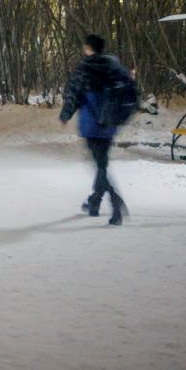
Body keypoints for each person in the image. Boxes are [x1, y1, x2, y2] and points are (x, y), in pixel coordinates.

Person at [59, 34, 130, 226]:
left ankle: (115, 203)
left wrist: (65, 115)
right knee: (102, 163)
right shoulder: (113, 66)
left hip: (90, 123)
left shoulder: (85, 68)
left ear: (89, 48)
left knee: (100, 166)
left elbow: (73, 93)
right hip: (108, 123)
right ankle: (94, 202)